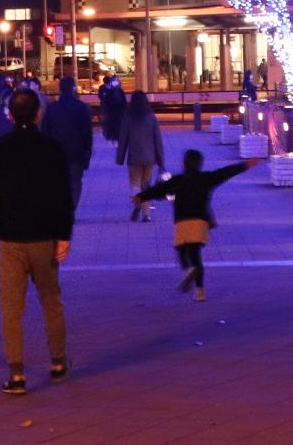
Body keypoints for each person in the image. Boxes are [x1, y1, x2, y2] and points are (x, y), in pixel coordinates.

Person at [0, 88, 75, 394]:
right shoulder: (52, 148)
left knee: (11, 308)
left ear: (9, 115)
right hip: (45, 235)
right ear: (38, 113)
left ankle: (17, 373)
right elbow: (64, 195)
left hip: (10, 236)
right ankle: (58, 362)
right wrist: (64, 236)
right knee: (51, 301)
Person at [133, 148, 251, 302]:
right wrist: (246, 165)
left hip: (182, 222)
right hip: (200, 222)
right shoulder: (207, 178)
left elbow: (158, 190)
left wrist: (140, 197)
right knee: (196, 254)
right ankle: (200, 291)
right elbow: (225, 172)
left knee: (182, 251)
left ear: (184, 164)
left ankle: (188, 270)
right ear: (200, 164)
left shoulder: (177, 180)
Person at [42, 75, 96, 208]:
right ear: (73, 89)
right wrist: (88, 151)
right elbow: (87, 133)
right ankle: (71, 208)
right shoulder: (81, 108)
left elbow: (45, 131)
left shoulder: (52, 108)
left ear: (60, 89)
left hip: (55, 152)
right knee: (75, 182)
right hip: (76, 152)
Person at [118, 90, 167, 220]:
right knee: (146, 184)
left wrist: (120, 157)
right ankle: (146, 215)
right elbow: (158, 140)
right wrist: (161, 160)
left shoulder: (128, 117)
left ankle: (137, 203)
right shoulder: (151, 117)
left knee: (135, 183)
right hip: (150, 158)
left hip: (134, 157)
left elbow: (123, 139)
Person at [98, 74, 128, 145]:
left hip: (115, 111)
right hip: (114, 111)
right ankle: (114, 137)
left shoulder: (116, 90)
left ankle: (114, 137)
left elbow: (123, 101)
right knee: (114, 124)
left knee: (114, 124)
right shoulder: (115, 90)